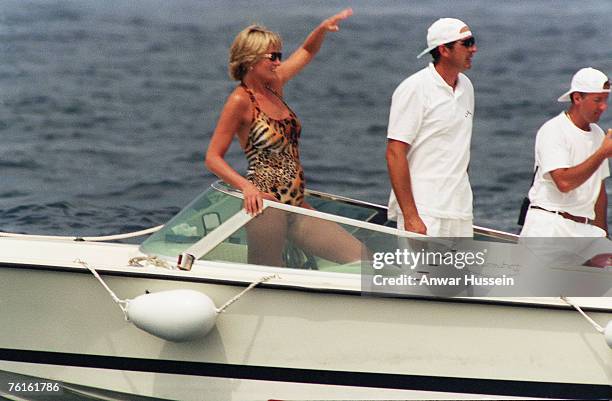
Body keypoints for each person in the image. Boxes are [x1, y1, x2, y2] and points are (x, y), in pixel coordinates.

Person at [205, 9, 363, 267]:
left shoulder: (274, 85)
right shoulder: (239, 100)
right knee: (267, 274)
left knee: (361, 259)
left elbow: (307, 52)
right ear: (251, 59)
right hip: (266, 205)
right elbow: (212, 158)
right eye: (273, 56)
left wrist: (322, 29)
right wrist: (248, 187)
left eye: (280, 56)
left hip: (295, 202)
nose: (279, 62)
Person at [386, 18, 477, 237]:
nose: (474, 48)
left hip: (460, 213)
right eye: (467, 43)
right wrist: (411, 216)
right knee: (422, 274)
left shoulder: (467, 86)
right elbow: (394, 152)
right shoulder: (414, 89)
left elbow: (460, 148)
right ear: (444, 50)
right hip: (425, 212)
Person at [520, 67, 611, 237]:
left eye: (606, 100)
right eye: (598, 100)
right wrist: (601, 154)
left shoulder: (599, 134)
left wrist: (604, 238)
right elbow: (564, 183)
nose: (604, 106)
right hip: (549, 227)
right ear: (577, 98)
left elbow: (598, 192)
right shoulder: (554, 130)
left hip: (585, 231)